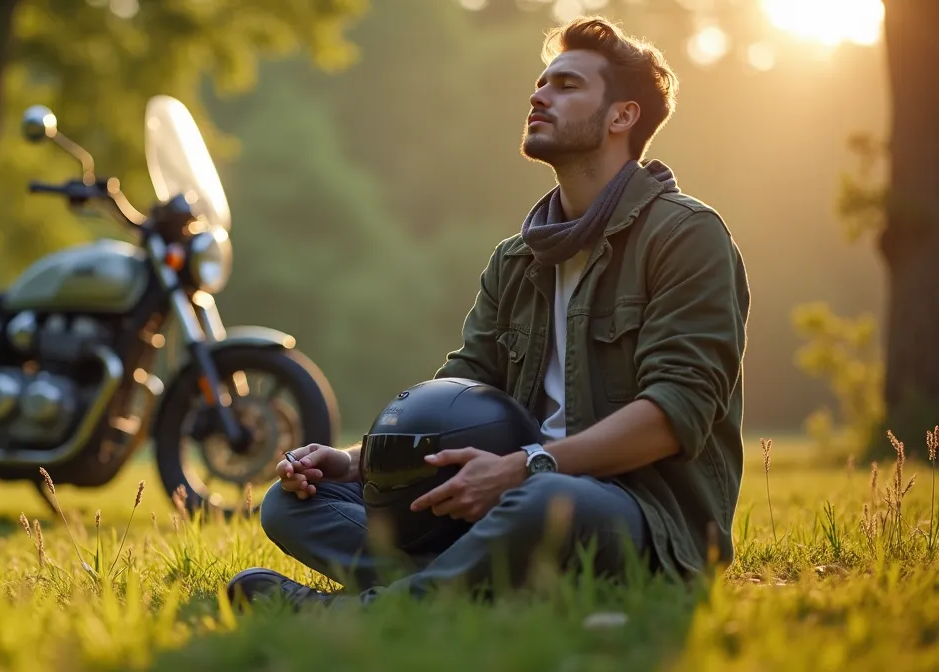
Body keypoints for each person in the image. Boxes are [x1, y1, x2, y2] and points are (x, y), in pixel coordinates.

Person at [225, 15, 751, 609]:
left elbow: (674, 414)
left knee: (544, 501)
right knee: (294, 503)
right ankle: (472, 581)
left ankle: (375, 614)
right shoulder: (518, 260)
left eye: (567, 85)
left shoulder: (687, 236)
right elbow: (465, 386)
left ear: (621, 116)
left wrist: (526, 467)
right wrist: (350, 462)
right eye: (541, 82)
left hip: (644, 522)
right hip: (508, 498)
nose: (539, 94)